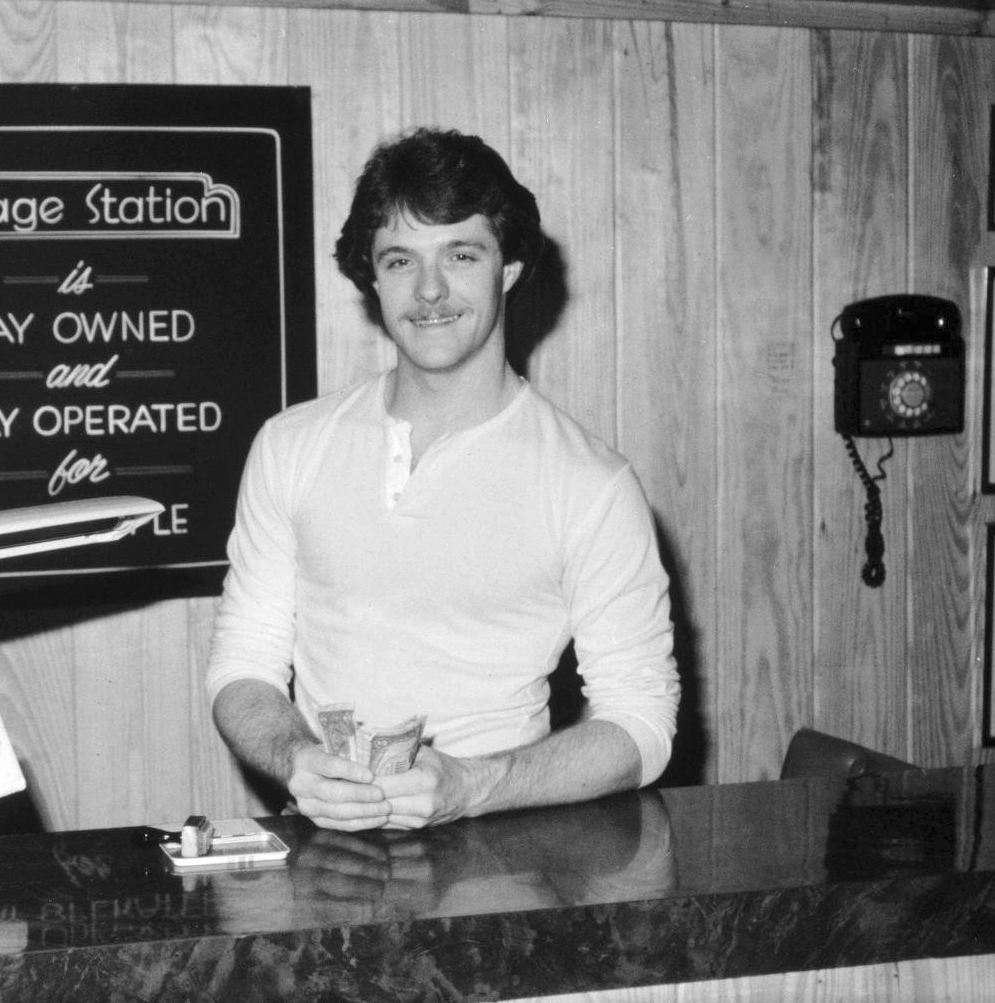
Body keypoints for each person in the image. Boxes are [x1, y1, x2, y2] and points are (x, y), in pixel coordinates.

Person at [205, 126, 679, 832]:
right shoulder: (290, 446)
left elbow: (643, 725)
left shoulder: (589, 483)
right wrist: (297, 758)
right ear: (372, 277)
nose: (429, 291)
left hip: (502, 852)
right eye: (400, 260)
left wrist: (472, 786)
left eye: (460, 254)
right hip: (324, 849)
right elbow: (243, 663)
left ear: (509, 267)